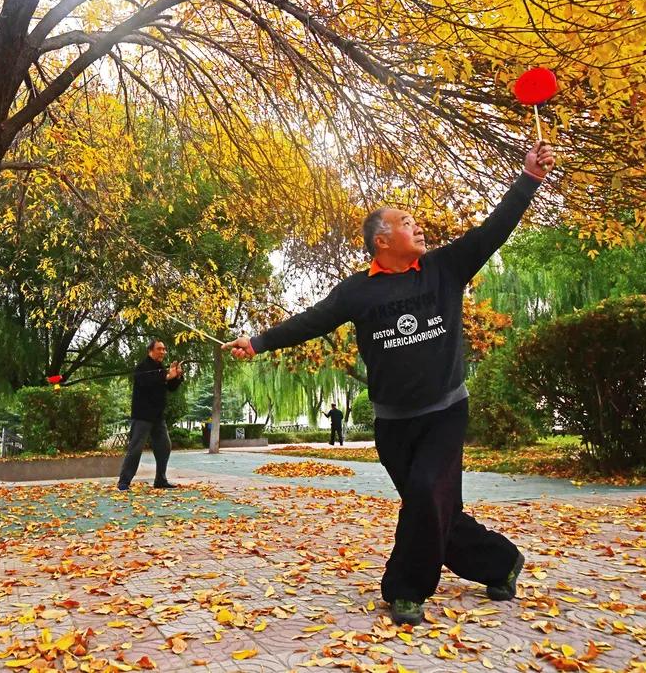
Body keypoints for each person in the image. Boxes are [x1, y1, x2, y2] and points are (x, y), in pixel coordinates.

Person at [223, 142, 555, 626]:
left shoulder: (444, 268)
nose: (417, 225)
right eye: (405, 221)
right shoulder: (358, 291)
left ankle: (404, 590)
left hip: (445, 410)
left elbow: (493, 231)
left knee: (425, 492)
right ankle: (502, 561)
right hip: (393, 424)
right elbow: (310, 321)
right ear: (382, 239)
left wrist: (529, 179)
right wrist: (257, 342)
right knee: (435, 508)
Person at [117, 339, 184, 491]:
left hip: (158, 417)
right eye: (159, 349)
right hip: (142, 416)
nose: (163, 352)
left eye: (164, 349)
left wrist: (177, 377)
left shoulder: (161, 368)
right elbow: (147, 383)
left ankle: (160, 479)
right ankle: (124, 481)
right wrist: (167, 376)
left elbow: (170, 388)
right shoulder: (142, 367)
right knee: (135, 449)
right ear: (150, 350)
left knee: (164, 447)